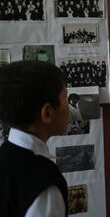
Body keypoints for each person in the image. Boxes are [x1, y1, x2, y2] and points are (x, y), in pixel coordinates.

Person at [0, 60, 69, 217]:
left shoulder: (5, 155)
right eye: (65, 97)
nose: (69, 108)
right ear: (47, 113)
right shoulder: (43, 183)